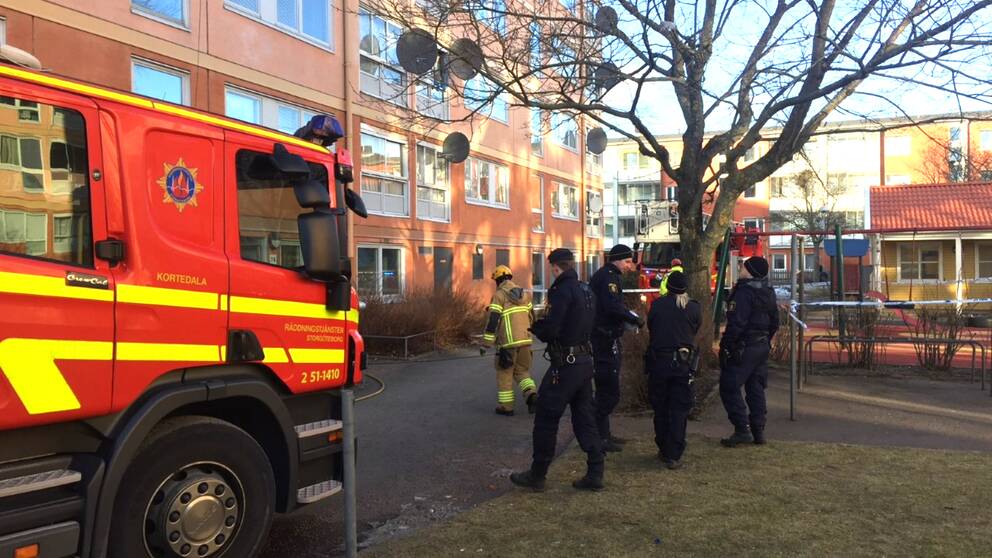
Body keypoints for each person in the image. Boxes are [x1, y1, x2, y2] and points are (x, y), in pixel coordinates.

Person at [510, 248, 605, 492]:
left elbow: (553, 329)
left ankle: (537, 474)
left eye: (551, 268)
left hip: (565, 366)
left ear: (555, 267)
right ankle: (596, 471)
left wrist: (538, 328)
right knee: (584, 417)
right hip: (584, 362)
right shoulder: (586, 289)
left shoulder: (562, 291)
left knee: (546, 417)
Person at [719, 256, 779, 447]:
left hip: (745, 346)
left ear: (750, 271)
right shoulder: (768, 291)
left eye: (744, 267)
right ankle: (758, 430)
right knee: (755, 388)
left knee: (729, 385)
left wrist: (727, 345)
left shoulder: (744, 292)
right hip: (761, 345)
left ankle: (742, 429)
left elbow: (737, 322)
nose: (741, 269)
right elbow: (775, 321)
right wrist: (765, 339)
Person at [589, 244, 644, 452]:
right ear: (617, 260)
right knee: (608, 392)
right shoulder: (608, 278)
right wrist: (632, 318)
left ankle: (603, 434)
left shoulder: (610, 276)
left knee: (608, 390)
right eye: (627, 261)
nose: (630, 266)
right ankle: (597, 436)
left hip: (608, 337)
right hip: (604, 340)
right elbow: (612, 306)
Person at [645, 270, 700, 469]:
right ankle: (674, 452)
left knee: (660, 407)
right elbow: (695, 330)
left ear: (667, 287)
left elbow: (652, 328)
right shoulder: (693, 308)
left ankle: (663, 446)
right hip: (682, 364)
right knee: (679, 409)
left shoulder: (658, 305)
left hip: (659, 362)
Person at [482, 265, 537, 416]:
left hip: (507, 345)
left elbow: (493, 321)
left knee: (504, 374)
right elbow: (532, 317)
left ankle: (506, 407)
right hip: (525, 342)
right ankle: (531, 394)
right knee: (522, 372)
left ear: (498, 280)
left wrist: (486, 343)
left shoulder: (499, 296)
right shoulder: (525, 295)